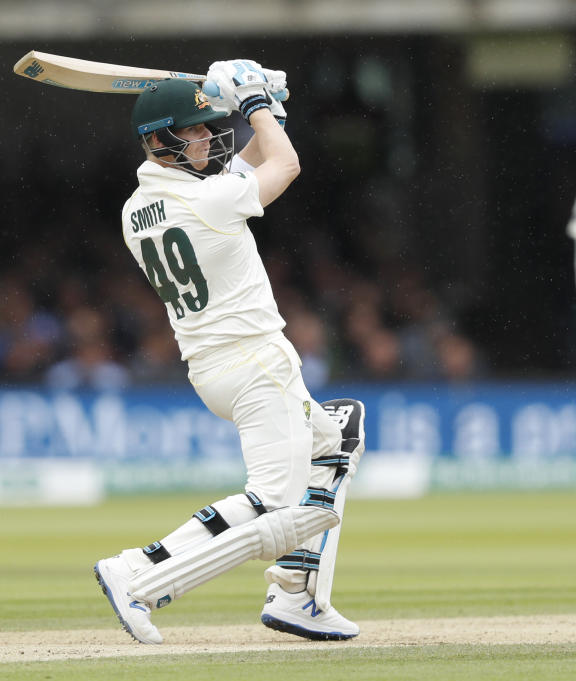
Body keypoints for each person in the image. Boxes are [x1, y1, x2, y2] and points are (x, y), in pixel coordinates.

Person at [93, 61, 366, 644]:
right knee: (272, 506)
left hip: (214, 369)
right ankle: (138, 573)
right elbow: (284, 164)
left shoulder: (137, 209)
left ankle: (299, 590)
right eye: (194, 131)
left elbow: (245, 165)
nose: (208, 138)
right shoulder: (208, 201)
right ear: (160, 141)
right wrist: (254, 107)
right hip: (257, 363)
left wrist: (268, 108)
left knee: (338, 437)